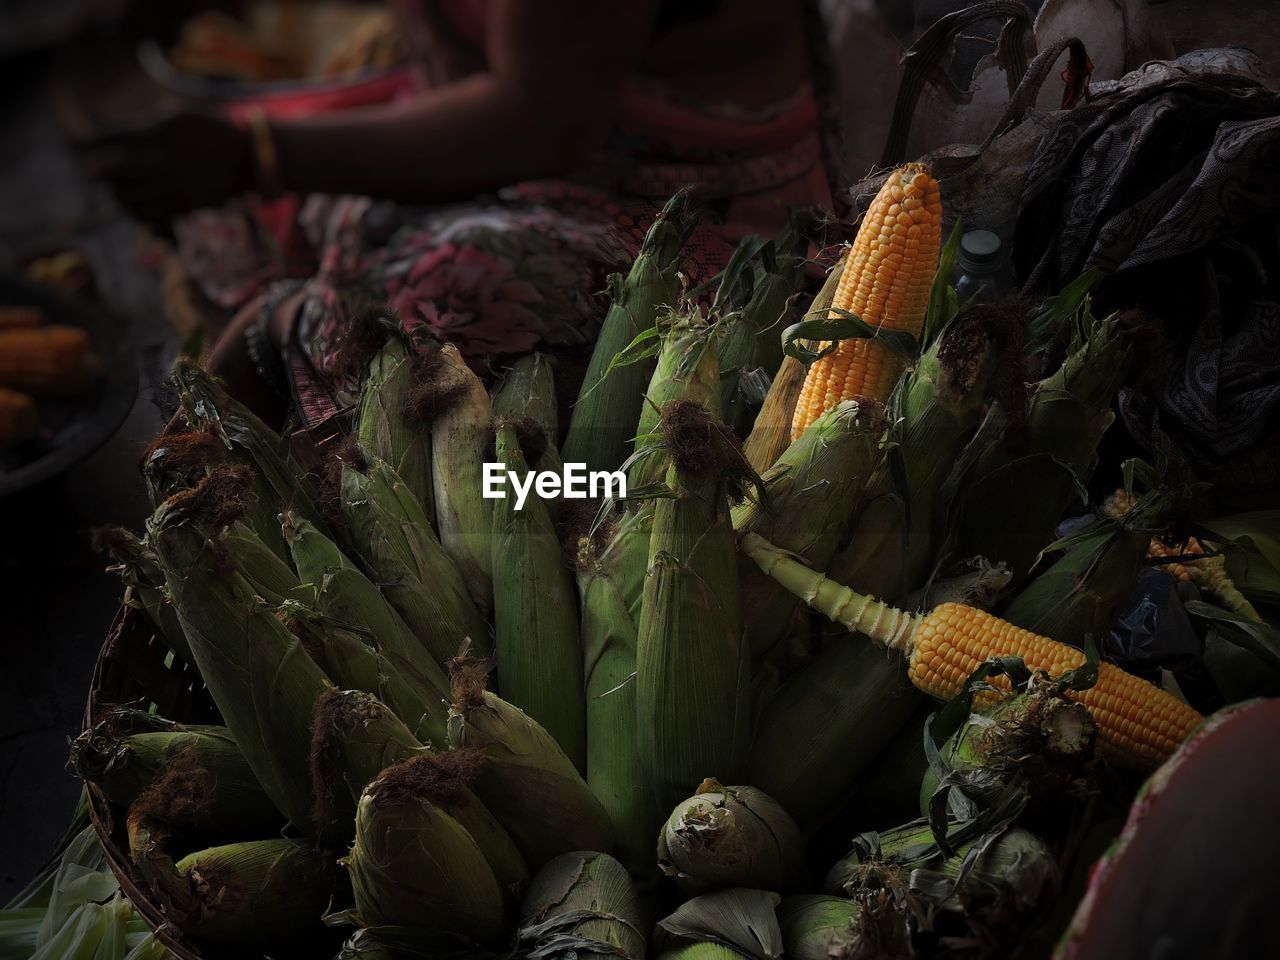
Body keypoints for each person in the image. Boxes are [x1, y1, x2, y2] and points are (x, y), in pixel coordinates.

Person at [91, 0, 842, 426]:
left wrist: (255, 155)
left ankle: (287, 337)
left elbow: (538, 119)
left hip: (693, 214)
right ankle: (309, 333)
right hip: (531, 170)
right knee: (260, 218)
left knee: (441, 307)